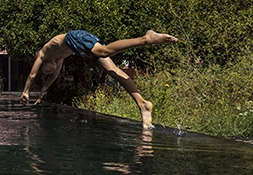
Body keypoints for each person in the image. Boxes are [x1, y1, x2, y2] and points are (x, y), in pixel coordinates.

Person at [20, 30, 178, 129]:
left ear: (43, 64)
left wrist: (25, 92)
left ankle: (146, 38)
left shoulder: (43, 54)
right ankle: (142, 103)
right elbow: (52, 79)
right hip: (79, 48)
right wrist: (41, 94)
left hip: (74, 38)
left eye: (45, 71)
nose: (49, 73)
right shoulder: (58, 59)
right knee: (113, 70)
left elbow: (31, 75)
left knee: (103, 51)